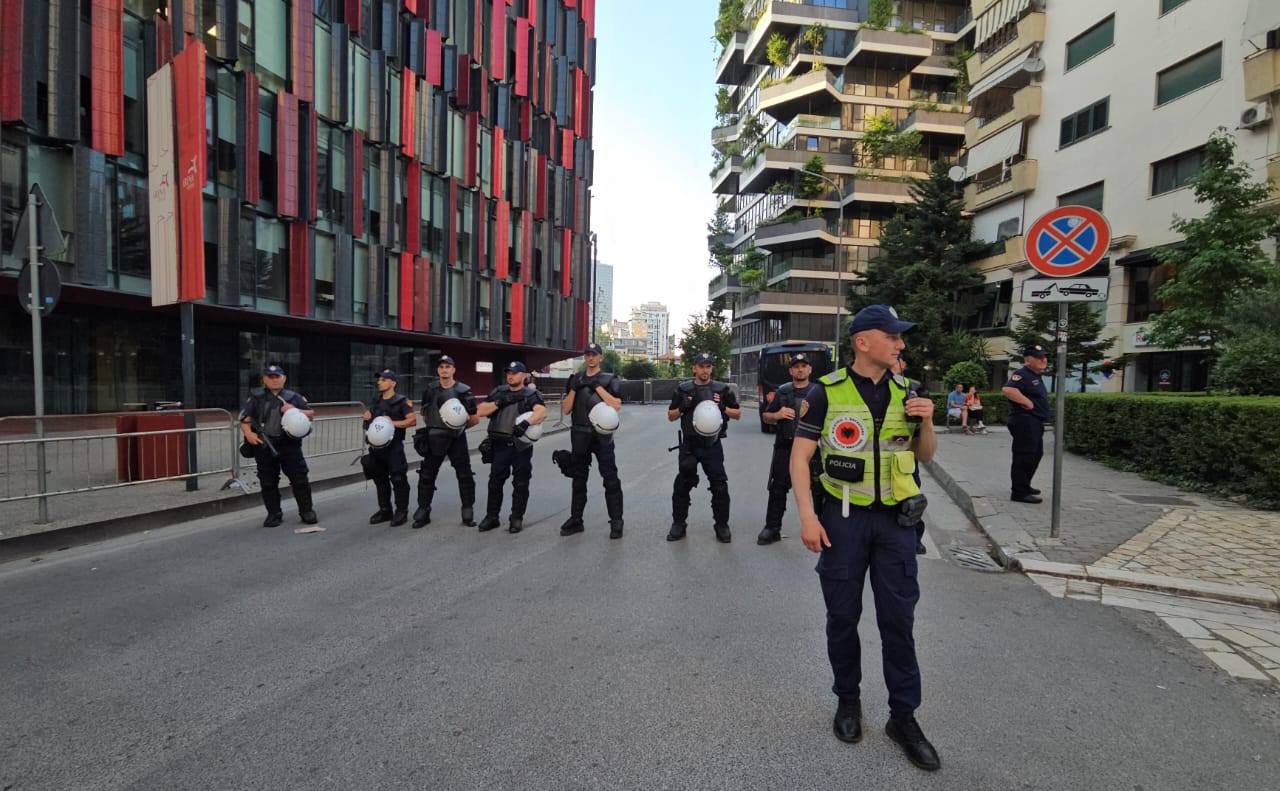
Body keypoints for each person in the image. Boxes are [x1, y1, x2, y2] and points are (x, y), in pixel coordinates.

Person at [789, 305, 941, 772]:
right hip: (843, 521)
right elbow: (799, 458)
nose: (900, 344)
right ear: (863, 342)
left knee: (899, 621)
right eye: (892, 336)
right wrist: (808, 517)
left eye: (900, 337)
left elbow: (925, 456)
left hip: (896, 523)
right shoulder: (825, 392)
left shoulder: (909, 392)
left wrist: (928, 421)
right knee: (842, 616)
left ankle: (903, 718)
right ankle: (848, 701)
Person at [667, 352, 741, 543]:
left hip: (712, 444)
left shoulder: (721, 389)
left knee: (719, 486)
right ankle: (679, 524)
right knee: (683, 484)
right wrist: (683, 406)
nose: (705, 370)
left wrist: (722, 407)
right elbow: (671, 416)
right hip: (690, 444)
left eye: (708, 366)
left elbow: (737, 414)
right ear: (694, 368)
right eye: (701, 366)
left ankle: (722, 525)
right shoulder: (683, 389)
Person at [239, 364, 317, 528]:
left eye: (277, 377)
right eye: (270, 377)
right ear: (264, 379)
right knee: (268, 482)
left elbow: (311, 414)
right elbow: (245, 420)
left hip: (289, 445)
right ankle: (274, 514)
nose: (274, 380)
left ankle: (306, 511)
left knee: (299, 479)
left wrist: (295, 409)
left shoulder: (293, 397)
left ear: (284, 379)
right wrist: (249, 434)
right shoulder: (256, 397)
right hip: (264, 445)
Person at [757, 352, 824, 546]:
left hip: (814, 450)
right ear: (791, 371)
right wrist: (777, 414)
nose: (800, 370)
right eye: (796, 367)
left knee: (819, 490)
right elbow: (766, 417)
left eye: (804, 366)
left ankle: (823, 527)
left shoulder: (819, 392)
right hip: (786, 447)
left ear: (810, 369)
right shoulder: (783, 392)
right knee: (777, 488)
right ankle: (772, 528)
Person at [560, 343, 625, 539]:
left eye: (594, 354)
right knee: (578, 480)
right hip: (580, 434)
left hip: (602, 436)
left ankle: (616, 521)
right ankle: (576, 520)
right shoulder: (575, 379)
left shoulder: (609, 379)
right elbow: (566, 409)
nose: (590, 358)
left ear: (600, 357)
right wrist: (574, 388)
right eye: (588, 354)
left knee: (610, 478)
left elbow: (616, 405)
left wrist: (596, 386)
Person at [476, 362, 548, 533]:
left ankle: (516, 518)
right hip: (499, 444)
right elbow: (481, 410)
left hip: (520, 445)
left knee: (521, 483)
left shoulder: (531, 394)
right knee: (495, 482)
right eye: (508, 372)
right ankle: (492, 517)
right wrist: (499, 402)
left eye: (515, 373)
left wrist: (526, 423)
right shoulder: (499, 392)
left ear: (523, 375)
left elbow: (541, 412)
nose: (510, 375)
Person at [412, 355, 479, 528]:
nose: (444, 370)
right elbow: (425, 413)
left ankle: (467, 509)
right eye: (441, 367)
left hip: (456, 438)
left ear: (453, 369)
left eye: (448, 367)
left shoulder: (463, 391)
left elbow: (474, 419)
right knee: (427, 475)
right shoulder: (430, 390)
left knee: (464, 475)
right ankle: (423, 509)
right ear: (437, 370)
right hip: (434, 437)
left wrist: (458, 427)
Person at [361, 370, 416, 526]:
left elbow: (412, 420)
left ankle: (401, 512)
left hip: (394, 447)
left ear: (393, 383)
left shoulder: (401, 401)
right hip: (376, 448)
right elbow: (370, 424)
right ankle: (385, 510)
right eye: (379, 380)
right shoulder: (376, 401)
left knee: (398, 479)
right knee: (380, 480)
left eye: (384, 379)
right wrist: (367, 418)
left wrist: (391, 423)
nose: (379, 382)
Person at [1001, 346, 1051, 504]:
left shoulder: (1034, 375)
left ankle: (1025, 485)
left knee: (1035, 454)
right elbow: (1008, 389)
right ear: (1028, 360)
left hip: (1034, 422)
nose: (1043, 360)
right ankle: (1019, 492)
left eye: (1044, 357)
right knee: (1024, 456)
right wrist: (1027, 402)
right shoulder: (1022, 374)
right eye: (1039, 357)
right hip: (1025, 421)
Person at [892, 355, 927, 557]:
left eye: (897, 361)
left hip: (906, 456)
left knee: (912, 499)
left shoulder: (913, 387)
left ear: (903, 365)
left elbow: (922, 424)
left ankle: (915, 538)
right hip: (884, 455)